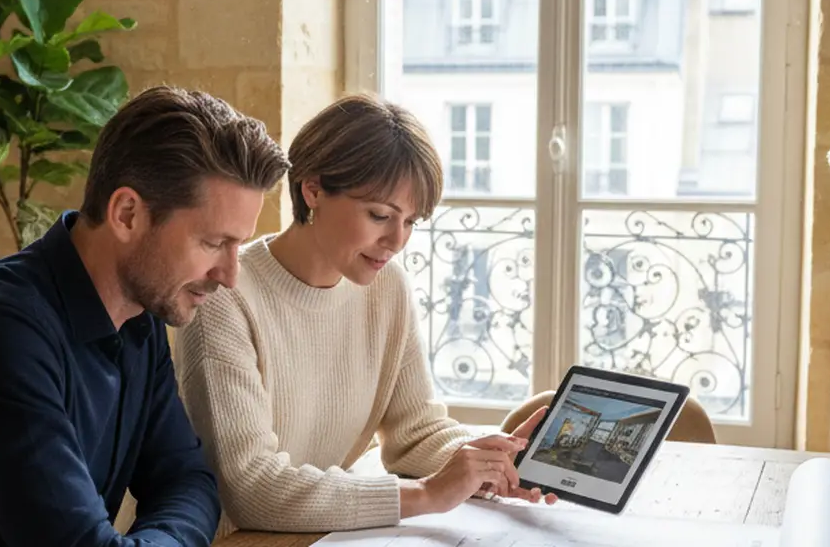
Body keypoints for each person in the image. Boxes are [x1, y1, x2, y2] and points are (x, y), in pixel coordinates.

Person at [0, 86, 292, 547]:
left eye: (238, 244)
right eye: (213, 243)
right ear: (127, 213)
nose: (230, 275)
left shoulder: (139, 318)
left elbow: (187, 481)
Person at [171, 93, 559, 537]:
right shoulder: (227, 297)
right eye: (380, 215)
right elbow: (252, 488)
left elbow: (415, 433)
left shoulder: (386, 286)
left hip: (319, 536)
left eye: (411, 222)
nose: (397, 240)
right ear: (312, 188)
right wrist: (429, 494)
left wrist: (489, 462)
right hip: (239, 540)